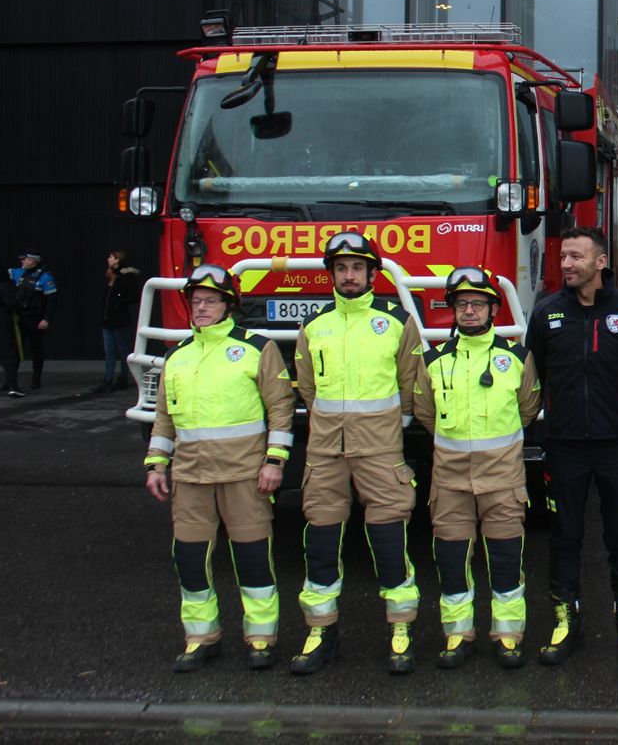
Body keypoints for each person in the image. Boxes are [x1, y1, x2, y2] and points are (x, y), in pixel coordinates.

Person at [141, 265, 295, 671]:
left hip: (245, 476)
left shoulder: (256, 348)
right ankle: (200, 637)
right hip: (190, 478)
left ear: (229, 306)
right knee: (190, 561)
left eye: (210, 301)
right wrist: (157, 464)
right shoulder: (176, 356)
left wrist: (275, 461)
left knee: (252, 559)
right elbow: (163, 418)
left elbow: (281, 409)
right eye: (196, 301)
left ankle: (261, 637)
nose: (201, 307)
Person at [290, 231, 426, 676]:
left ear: (372, 274)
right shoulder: (314, 327)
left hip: (380, 451)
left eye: (357, 268)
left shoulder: (397, 320)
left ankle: (401, 631)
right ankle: (320, 633)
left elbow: (413, 384)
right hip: (325, 452)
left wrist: (389, 426)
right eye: (341, 268)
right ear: (331, 274)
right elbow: (308, 388)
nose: (349, 276)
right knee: (321, 545)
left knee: (389, 543)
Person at [524, 227, 618, 667]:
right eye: (564, 257)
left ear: (600, 262)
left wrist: (615, 412)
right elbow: (538, 371)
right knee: (565, 536)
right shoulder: (545, 314)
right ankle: (566, 623)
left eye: (577, 257)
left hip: (617, 446)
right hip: (563, 446)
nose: (566, 264)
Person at [412, 268, 543, 670]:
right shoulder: (432, 360)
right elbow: (424, 411)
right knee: (451, 561)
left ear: (492, 309)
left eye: (478, 304)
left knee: (505, 559)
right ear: (453, 310)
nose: (470, 311)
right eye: (462, 304)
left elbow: (528, 409)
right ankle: (457, 634)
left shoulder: (517, 357)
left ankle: (507, 636)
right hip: (449, 481)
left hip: (503, 480)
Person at [9, 250, 56, 390]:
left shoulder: (45, 277)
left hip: (35, 318)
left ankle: (36, 379)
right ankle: (11, 379)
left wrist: (46, 319)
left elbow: (52, 300)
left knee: (36, 349)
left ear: (34, 262)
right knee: (14, 349)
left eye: (26, 260)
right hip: (20, 317)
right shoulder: (18, 273)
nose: (23, 262)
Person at [98, 250, 142, 392]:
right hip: (108, 319)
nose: (108, 259)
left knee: (123, 349)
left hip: (119, 319)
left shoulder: (125, 276)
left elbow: (134, 296)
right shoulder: (111, 275)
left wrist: (118, 303)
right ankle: (108, 378)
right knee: (109, 350)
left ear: (117, 260)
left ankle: (123, 377)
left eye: (111, 257)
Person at [0, 268, 22, 397]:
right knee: (9, 355)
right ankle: (13, 387)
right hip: (2, 325)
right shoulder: (4, 286)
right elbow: (11, 304)